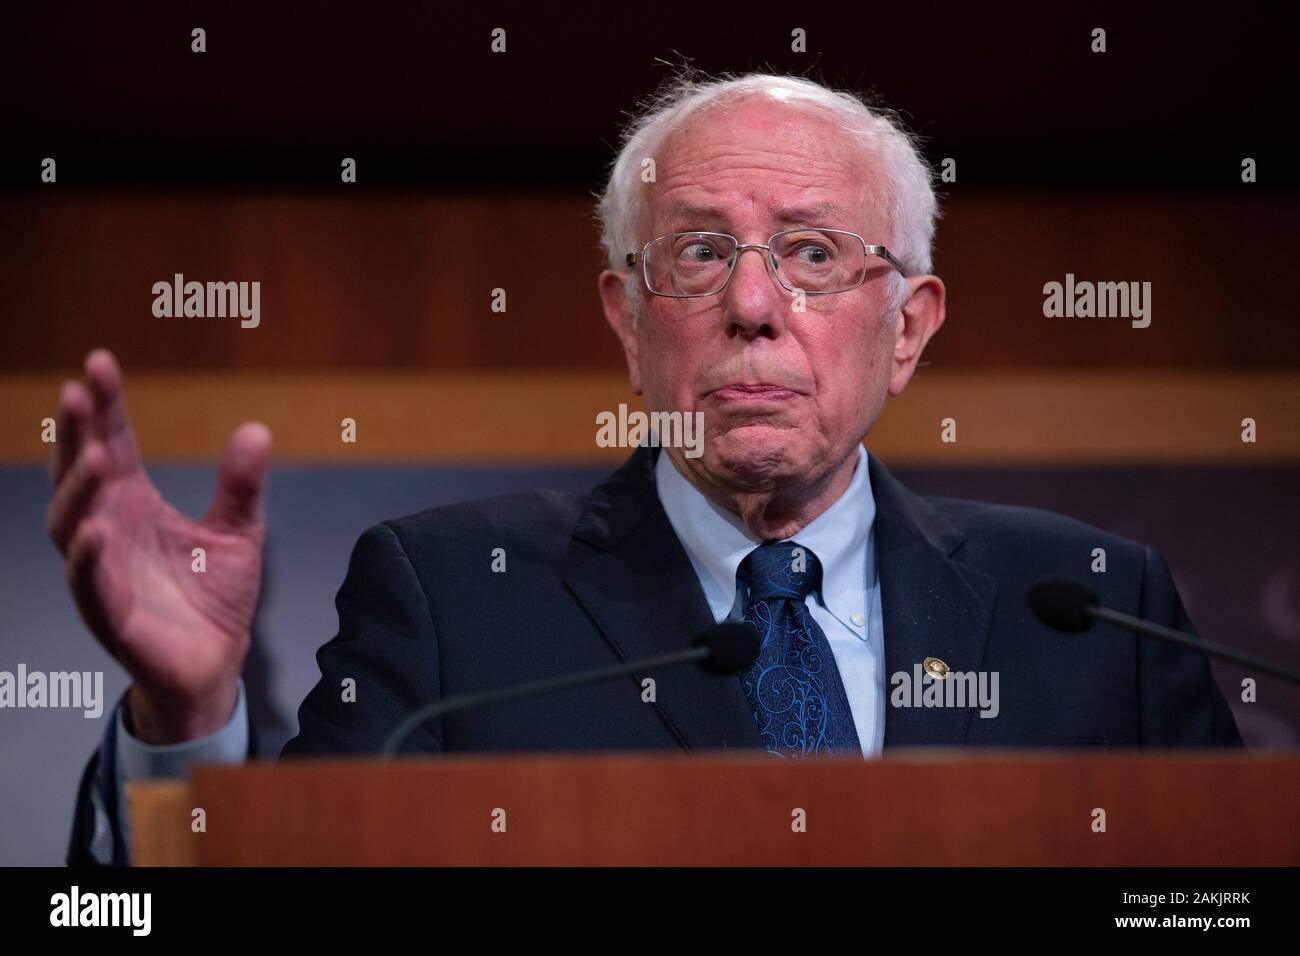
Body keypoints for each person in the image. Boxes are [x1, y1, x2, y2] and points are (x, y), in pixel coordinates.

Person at [50, 72, 1242, 865]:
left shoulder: (1097, 611)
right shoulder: (452, 596)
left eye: (815, 253)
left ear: (911, 325)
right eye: (701, 252)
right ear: (628, 318)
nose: (754, 305)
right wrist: (186, 719)